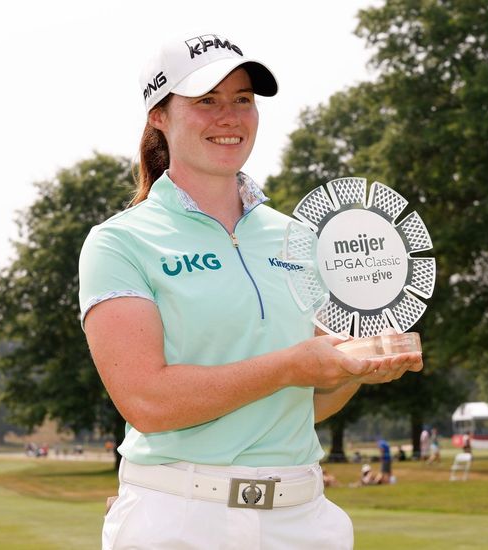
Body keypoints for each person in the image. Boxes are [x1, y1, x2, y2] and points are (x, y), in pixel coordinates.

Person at [78, 31, 423, 550]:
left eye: (243, 100)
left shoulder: (297, 235)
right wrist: (291, 365)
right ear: (159, 115)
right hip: (182, 518)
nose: (230, 116)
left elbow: (301, 405)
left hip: (304, 519)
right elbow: (146, 400)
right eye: (206, 101)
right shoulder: (120, 241)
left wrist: (355, 367)